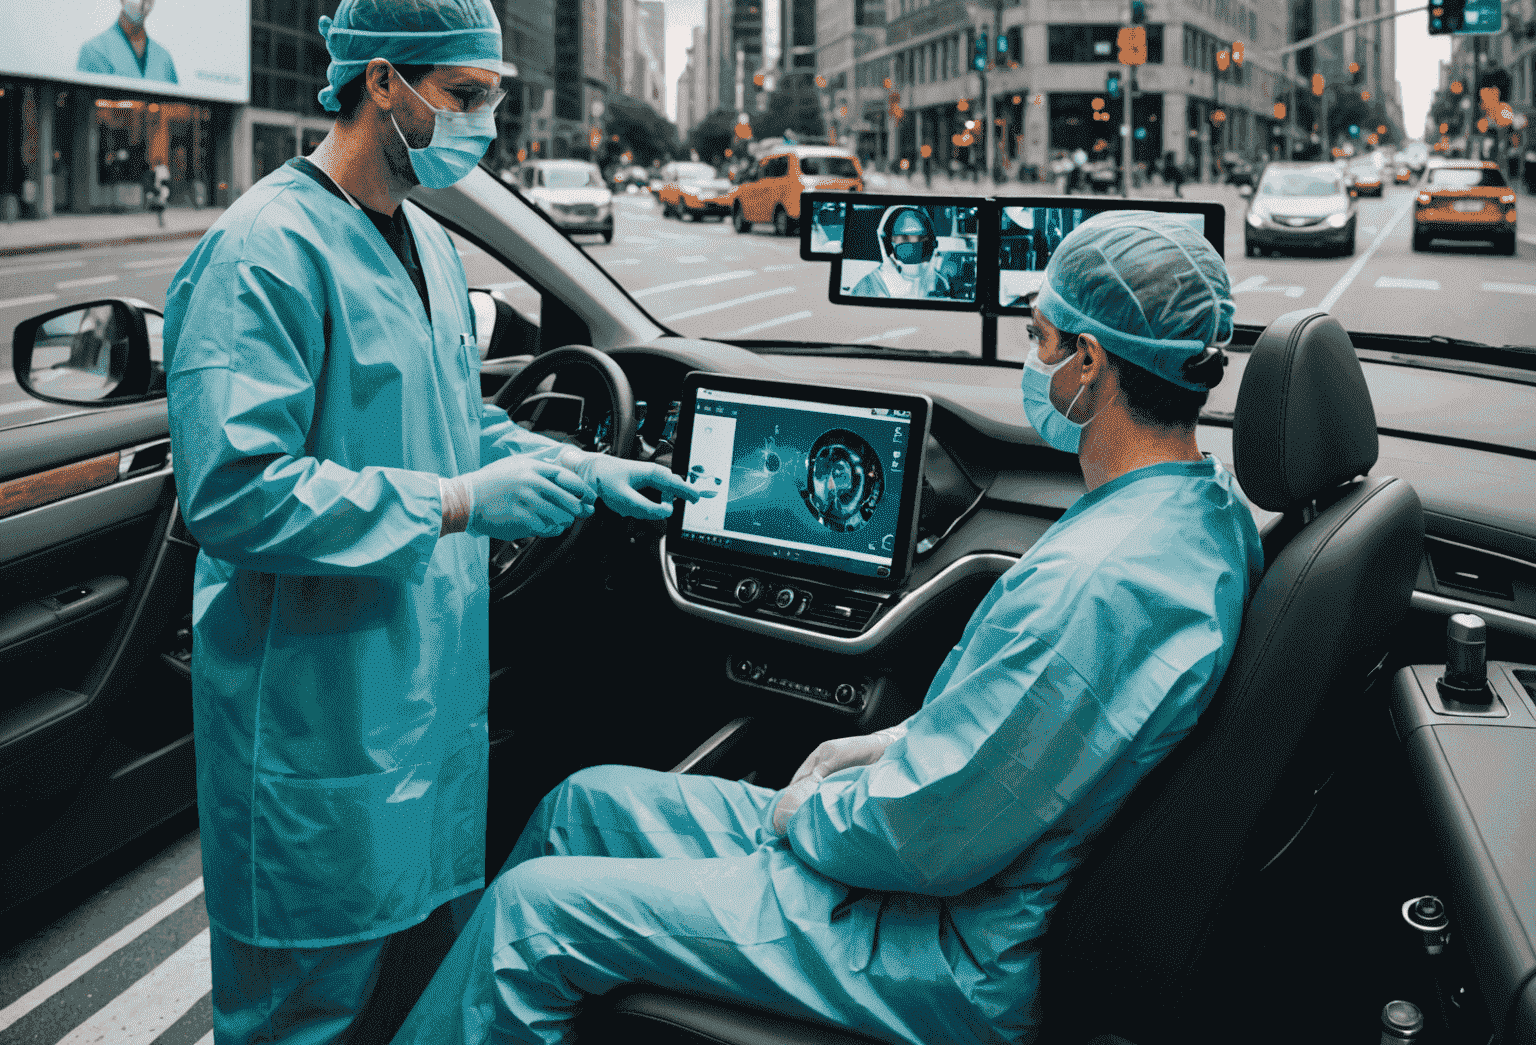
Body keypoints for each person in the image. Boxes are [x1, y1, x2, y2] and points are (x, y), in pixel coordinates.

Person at [387, 209, 1265, 1045]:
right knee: (580, 803)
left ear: (1089, 360)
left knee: (531, 915)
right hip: (934, 863)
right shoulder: (1204, 512)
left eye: (1038, 339)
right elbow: (1015, 738)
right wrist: (879, 746)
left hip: (943, 945)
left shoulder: (1094, 585)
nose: (1031, 364)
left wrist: (806, 813)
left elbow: (923, 836)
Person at [162, 0, 696, 1045]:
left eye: (491, 97)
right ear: (383, 85)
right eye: (463, 97)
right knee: (303, 1018)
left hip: (421, 722)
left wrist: (580, 469)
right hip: (317, 732)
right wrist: (457, 504)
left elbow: (458, 427)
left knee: (422, 997)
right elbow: (233, 492)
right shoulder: (264, 252)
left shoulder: (432, 248)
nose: (482, 126)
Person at [850, 205, 951, 299]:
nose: (913, 244)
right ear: (888, 244)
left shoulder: (939, 283)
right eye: (903, 238)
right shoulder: (868, 286)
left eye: (921, 237)